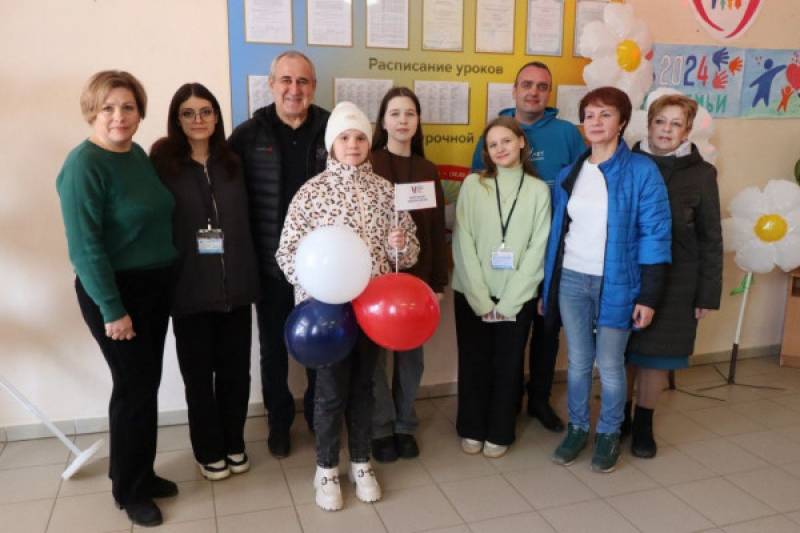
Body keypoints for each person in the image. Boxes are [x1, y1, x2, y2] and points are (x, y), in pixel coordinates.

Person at [276, 101, 419, 511]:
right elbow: (287, 252)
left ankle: (360, 461)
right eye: (344, 137)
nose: (352, 144)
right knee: (329, 393)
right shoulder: (311, 193)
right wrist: (315, 288)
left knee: (365, 388)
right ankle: (325, 468)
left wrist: (400, 245)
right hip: (328, 315)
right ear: (331, 145)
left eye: (359, 137)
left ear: (369, 142)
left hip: (373, 312)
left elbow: (408, 254)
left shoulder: (386, 191)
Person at [56, 70, 178, 527]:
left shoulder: (137, 154)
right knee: (132, 391)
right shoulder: (83, 165)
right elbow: (85, 248)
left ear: (140, 112)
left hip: (152, 289)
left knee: (144, 387)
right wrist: (113, 309)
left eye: (128, 107)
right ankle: (129, 491)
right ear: (92, 110)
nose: (119, 116)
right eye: (108, 107)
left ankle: (138, 472)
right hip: (115, 293)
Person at [541, 87, 672, 473]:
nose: (595, 122)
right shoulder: (571, 172)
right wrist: (548, 287)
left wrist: (649, 295)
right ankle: (578, 427)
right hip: (572, 279)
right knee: (578, 361)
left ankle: (609, 433)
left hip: (617, 282)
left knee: (610, 364)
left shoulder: (642, 171)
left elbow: (655, 235)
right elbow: (559, 234)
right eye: (589, 115)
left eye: (605, 114)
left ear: (622, 122)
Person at [150, 83, 261, 480]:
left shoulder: (233, 162)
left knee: (236, 374)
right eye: (188, 113)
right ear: (176, 119)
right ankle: (208, 449)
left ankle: (234, 443)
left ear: (216, 116)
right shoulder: (163, 164)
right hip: (189, 290)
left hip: (236, 289)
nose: (198, 120)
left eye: (206, 111)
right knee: (199, 378)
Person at [471, 61, 586, 432]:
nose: (534, 92)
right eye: (527, 84)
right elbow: (479, 188)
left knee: (546, 327)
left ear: (548, 93)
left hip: (554, 251)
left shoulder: (567, 134)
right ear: (514, 90)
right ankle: (506, 399)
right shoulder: (496, 131)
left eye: (541, 86)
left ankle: (539, 399)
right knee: (508, 330)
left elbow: (583, 186)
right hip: (505, 257)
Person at [228, 51, 328, 458]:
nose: (294, 89)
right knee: (273, 351)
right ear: (271, 85)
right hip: (271, 268)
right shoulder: (248, 136)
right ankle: (279, 423)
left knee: (322, 346)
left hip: (323, 268)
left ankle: (320, 417)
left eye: (302, 81)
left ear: (313, 87)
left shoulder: (332, 129)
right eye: (285, 80)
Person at [623, 94, 723, 458]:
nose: (666, 130)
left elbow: (711, 237)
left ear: (687, 130)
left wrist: (707, 294)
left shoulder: (702, 174)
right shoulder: (625, 162)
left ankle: (643, 425)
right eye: (660, 121)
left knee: (656, 356)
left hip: (678, 282)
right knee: (623, 351)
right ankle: (619, 417)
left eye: (676, 124)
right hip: (626, 274)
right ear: (648, 124)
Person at [453, 116, 551, 459]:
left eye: (506, 141)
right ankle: (471, 427)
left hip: (517, 297)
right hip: (471, 293)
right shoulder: (473, 185)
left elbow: (538, 249)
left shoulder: (538, 191)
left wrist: (509, 302)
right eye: (492, 144)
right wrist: (481, 298)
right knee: (474, 362)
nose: (500, 149)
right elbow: (463, 242)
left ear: (521, 142)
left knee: (508, 365)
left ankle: (499, 430)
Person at [369, 87, 448, 463]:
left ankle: (404, 425)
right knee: (375, 360)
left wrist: (437, 283)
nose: (402, 120)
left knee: (411, 359)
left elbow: (435, 230)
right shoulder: (368, 163)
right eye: (395, 113)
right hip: (375, 283)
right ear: (383, 121)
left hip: (417, 284)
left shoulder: (427, 170)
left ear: (418, 122)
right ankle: (380, 427)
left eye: (410, 114)